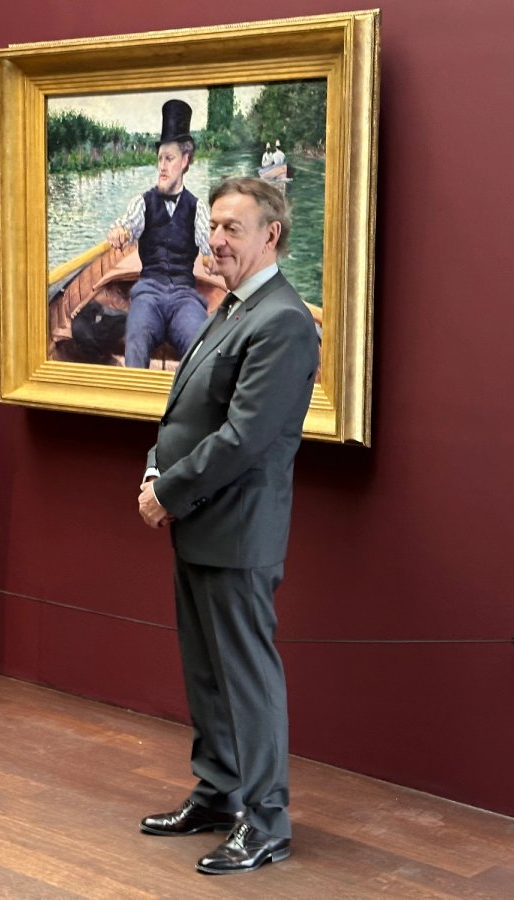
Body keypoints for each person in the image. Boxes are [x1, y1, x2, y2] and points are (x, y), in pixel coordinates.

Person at [136, 177, 319, 875]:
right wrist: (157, 469)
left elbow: (244, 438)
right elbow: (187, 410)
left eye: (231, 228)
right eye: (213, 226)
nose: (215, 240)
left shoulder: (283, 320)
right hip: (200, 522)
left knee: (246, 680)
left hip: (237, 531)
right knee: (207, 673)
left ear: (271, 235)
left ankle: (266, 823)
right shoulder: (234, 305)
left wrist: (167, 492)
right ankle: (218, 795)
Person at [107, 99, 212, 368]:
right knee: (136, 340)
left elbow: (210, 247)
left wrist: (213, 256)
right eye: (160, 159)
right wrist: (118, 232)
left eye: (169, 159)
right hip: (148, 293)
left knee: (201, 345)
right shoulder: (142, 203)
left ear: (185, 161)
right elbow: (126, 227)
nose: (162, 166)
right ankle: (134, 393)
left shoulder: (198, 208)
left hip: (185, 297)